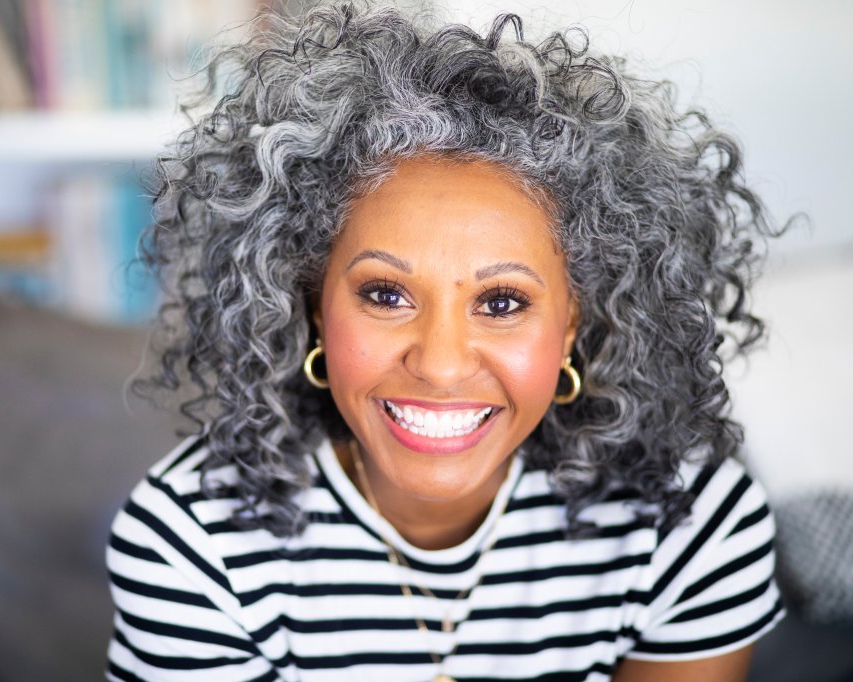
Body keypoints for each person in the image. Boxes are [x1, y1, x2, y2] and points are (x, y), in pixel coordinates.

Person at [106, 3, 784, 680]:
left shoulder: (690, 524)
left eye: (501, 302)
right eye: (386, 295)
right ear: (312, 304)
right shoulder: (190, 542)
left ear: (575, 321)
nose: (439, 364)